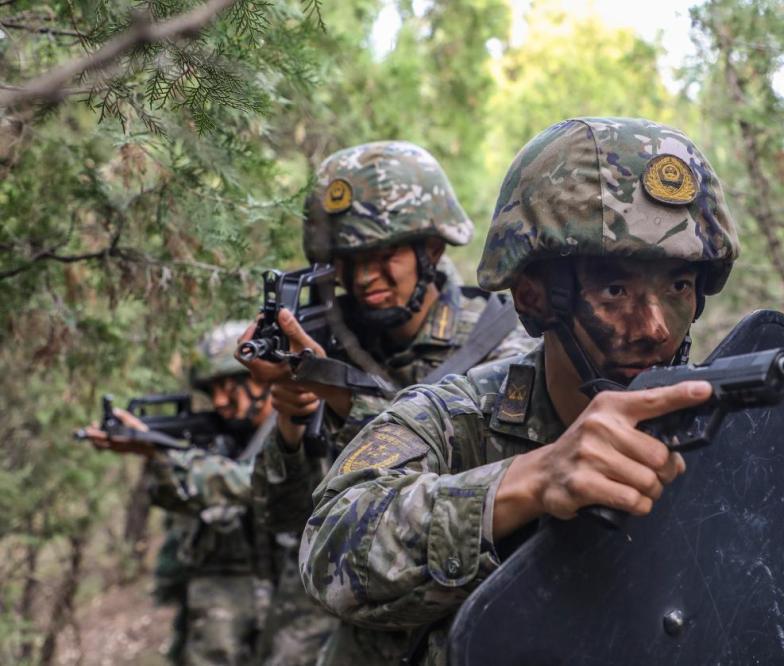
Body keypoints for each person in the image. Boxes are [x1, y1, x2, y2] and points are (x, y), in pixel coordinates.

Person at [298, 117, 740, 665]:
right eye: (615, 289)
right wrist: (528, 482)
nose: (653, 326)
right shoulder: (453, 418)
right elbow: (332, 549)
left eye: (678, 285)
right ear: (533, 298)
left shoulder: (734, 425)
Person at [237, 140, 534, 666]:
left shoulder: (503, 344)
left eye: (383, 255)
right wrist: (295, 417)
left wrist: (345, 399)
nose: (365, 277)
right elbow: (281, 517)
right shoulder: (329, 342)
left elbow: (475, 495)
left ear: (432, 249)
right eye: (347, 262)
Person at [83, 321, 275, 666]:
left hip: (280, 603)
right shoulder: (231, 436)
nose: (218, 402)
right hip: (218, 599)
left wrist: (163, 453)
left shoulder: (293, 429)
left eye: (228, 387)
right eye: (211, 389)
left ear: (261, 377)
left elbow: (255, 483)